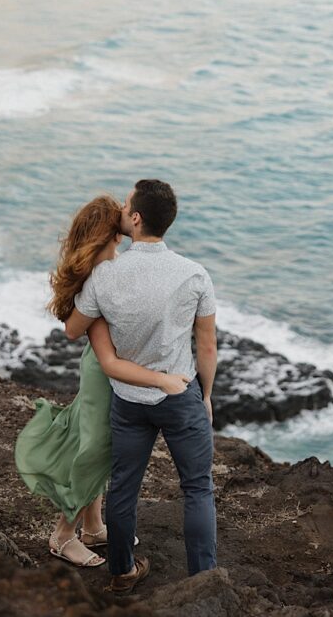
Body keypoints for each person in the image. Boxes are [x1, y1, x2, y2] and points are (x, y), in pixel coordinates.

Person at [14, 195, 190, 569]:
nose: (130, 211)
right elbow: (73, 329)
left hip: (109, 365)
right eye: (124, 209)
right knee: (95, 449)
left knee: (98, 444)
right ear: (112, 229)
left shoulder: (115, 263)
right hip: (103, 369)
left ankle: (93, 527)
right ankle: (63, 535)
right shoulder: (103, 269)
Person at [66, 179, 218, 596]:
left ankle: (122, 572)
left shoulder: (104, 276)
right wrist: (204, 396)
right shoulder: (194, 274)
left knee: (124, 487)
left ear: (135, 218)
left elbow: (74, 327)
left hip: (129, 399)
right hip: (179, 393)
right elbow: (206, 345)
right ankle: (204, 581)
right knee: (197, 488)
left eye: (127, 202)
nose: (122, 207)